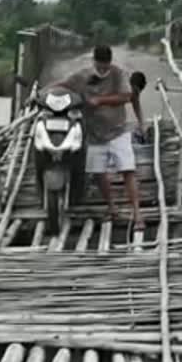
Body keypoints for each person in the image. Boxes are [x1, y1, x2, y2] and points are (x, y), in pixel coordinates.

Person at [56, 45, 145, 230]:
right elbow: (63, 84)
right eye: (100, 66)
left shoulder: (119, 74)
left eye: (106, 66)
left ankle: (137, 214)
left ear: (110, 63)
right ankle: (111, 209)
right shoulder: (82, 76)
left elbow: (128, 97)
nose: (103, 69)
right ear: (94, 61)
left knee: (128, 170)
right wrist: (43, 93)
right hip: (95, 133)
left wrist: (101, 101)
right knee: (98, 174)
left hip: (118, 131)